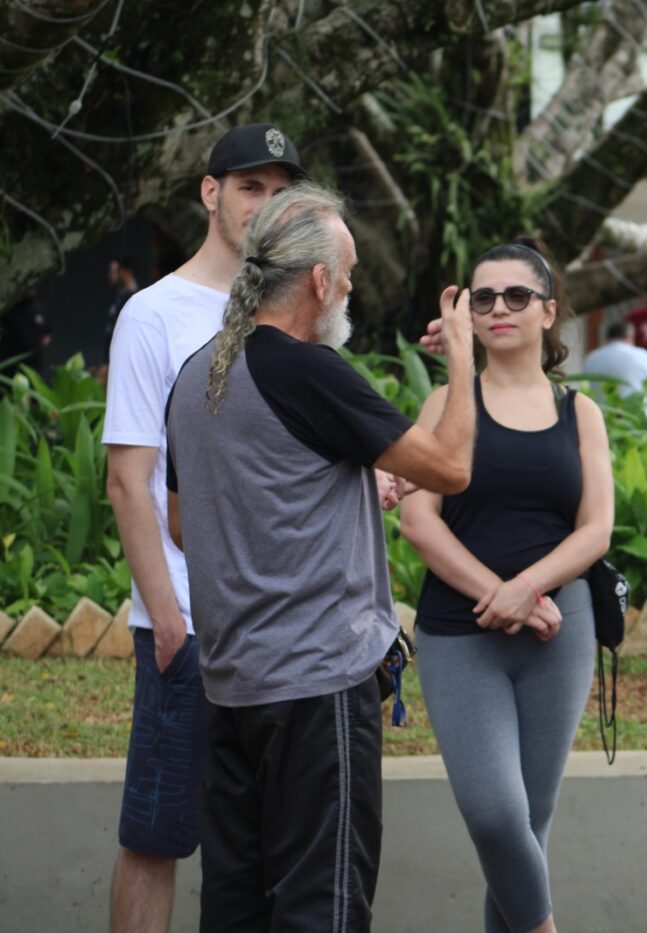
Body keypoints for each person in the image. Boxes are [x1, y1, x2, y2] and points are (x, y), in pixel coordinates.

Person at [164, 183, 478, 931]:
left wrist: (332, 499)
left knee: (235, 905)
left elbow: (186, 523)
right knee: (322, 907)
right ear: (317, 280)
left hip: (234, 687)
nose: (352, 283)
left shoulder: (198, 374)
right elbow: (452, 466)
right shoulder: (309, 369)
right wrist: (463, 362)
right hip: (316, 688)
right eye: (351, 268)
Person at [101, 122, 304, 933]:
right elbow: (127, 476)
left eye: (280, 189)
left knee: (261, 843)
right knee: (157, 835)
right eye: (249, 186)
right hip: (187, 627)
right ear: (209, 193)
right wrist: (169, 619)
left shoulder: (291, 312)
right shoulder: (154, 315)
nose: (265, 203)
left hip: (280, 629)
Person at [400, 238, 614, 933]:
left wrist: (529, 588)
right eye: (482, 296)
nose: (498, 307)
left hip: (560, 628)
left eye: (516, 295)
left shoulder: (581, 412)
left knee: (529, 825)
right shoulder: (444, 403)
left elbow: (595, 529)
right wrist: (499, 592)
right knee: (496, 815)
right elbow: (416, 518)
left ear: (548, 312)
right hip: (461, 634)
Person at [582, 320, 647, 401]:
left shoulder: (592, 357)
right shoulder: (642, 355)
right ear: (630, 337)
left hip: (602, 411)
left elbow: (585, 387)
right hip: (636, 412)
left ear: (606, 338)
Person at [99, 257, 140, 374]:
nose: (113, 275)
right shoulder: (116, 296)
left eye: (118, 271)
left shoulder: (136, 299)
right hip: (111, 360)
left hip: (124, 364)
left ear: (127, 272)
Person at [0, 291, 51, 377]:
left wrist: (37, 345)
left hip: (35, 364)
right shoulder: (11, 308)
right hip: (11, 363)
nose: (31, 291)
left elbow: (48, 332)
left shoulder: (37, 307)